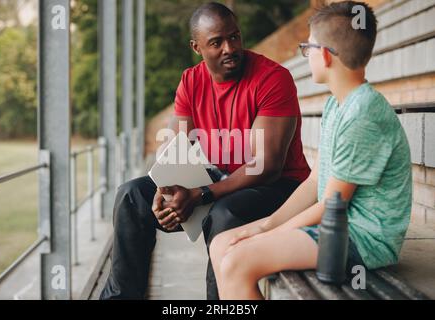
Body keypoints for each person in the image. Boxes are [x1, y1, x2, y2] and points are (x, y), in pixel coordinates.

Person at [100, 2, 310, 300]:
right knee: (132, 196)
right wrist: (165, 191)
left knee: (224, 215)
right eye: (216, 42)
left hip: (279, 187)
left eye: (234, 37)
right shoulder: (191, 80)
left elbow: (266, 164)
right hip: (220, 178)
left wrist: (202, 194)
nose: (229, 48)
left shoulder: (272, 79)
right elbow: (174, 150)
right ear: (196, 47)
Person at [209, 1, 412, 300]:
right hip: (339, 227)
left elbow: (331, 204)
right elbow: (314, 182)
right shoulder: (337, 104)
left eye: (309, 48)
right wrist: (266, 225)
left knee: (238, 259)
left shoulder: (363, 114)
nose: (307, 55)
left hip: (362, 238)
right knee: (221, 243)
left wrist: (267, 234)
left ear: (326, 56)